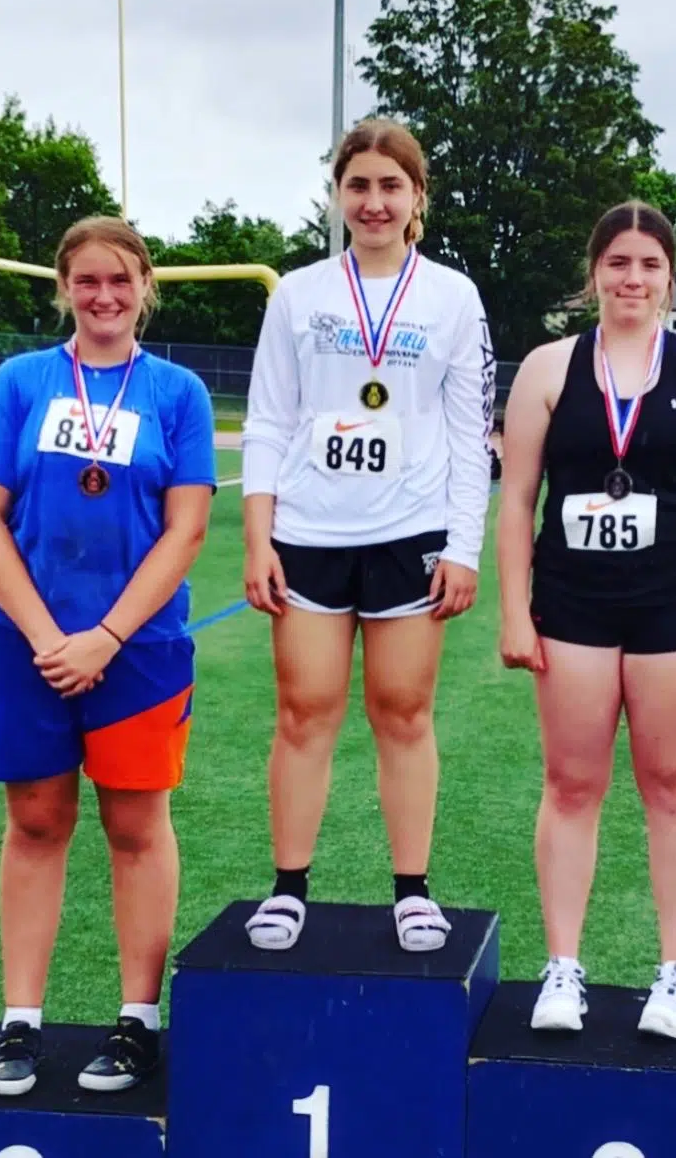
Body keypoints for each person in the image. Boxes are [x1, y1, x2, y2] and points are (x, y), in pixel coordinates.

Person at [0, 216, 217, 1097]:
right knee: (34, 824)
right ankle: (21, 1023)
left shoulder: (178, 392)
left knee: (137, 828)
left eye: (120, 280)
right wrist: (45, 637)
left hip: (138, 648)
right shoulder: (21, 380)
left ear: (147, 285)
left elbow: (187, 528)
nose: (103, 296)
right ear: (64, 288)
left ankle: (137, 1021)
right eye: (86, 281)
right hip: (22, 641)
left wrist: (105, 636)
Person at [496, 200, 676, 1039]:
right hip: (572, 605)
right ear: (594, 273)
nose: (632, 278)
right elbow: (518, 502)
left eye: (649, 264)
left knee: (674, 787)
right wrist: (513, 610)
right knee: (572, 784)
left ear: (669, 277)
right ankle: (563, 968)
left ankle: (673, 977)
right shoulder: (547, 368)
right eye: (618, 263)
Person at [240, 118, 494, 954]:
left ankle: (413, 891)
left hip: (411, 532)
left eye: (391, 186)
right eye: (359, 186)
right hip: (311, 532)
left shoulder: (452, 296)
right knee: (305, 711)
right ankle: (287, 887)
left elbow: (468, 433)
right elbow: (270, 419)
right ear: (337, 195)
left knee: (404, 712)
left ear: (418, 197)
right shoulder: (300, 294)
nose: (374, 202)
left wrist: (464, 547)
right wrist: (258, 537)